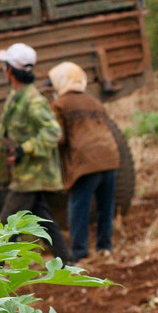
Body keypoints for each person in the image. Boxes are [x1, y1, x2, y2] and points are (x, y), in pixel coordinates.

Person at [0, 43, 70, 262]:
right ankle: (67, 260)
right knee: (43, 219)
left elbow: (53, 132)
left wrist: (24, 150)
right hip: (26, 173)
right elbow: (6, 129)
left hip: (33, 174)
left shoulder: (32, 99)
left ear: (9, 70)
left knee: (8, 223)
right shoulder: (16, 96)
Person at [49, 62, 119, 262]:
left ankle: (79, 252)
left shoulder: (60, 104)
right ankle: (105, 247)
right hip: (110, 157)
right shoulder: (94, 101)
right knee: (106, 206)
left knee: (79, 207)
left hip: (85, 162)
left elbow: (59, 137)